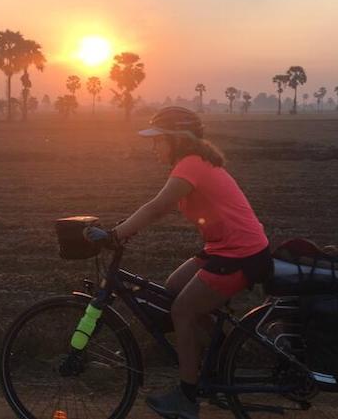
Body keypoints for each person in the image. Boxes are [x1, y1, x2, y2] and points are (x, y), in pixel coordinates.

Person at [112, 106, 272, 419]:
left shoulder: (191, 164)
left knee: (181, 310)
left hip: (240, 254)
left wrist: (115, 234)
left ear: (178, 140)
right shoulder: (194, 161)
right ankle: (219, 355)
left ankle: (187, 397)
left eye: (159, 140)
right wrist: (121, 230)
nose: (153, 146)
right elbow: (156, 208)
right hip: (223, 248)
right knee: (172, 287)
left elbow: (157, 207)